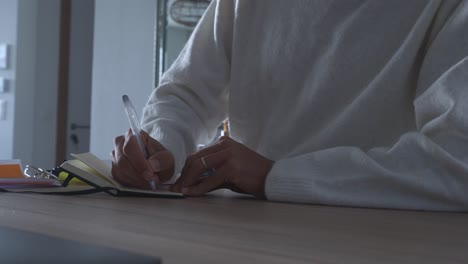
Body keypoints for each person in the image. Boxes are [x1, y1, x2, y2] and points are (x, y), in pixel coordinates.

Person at [112, 0, 468, 211]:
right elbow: (185, 94)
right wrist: (163, 147)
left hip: (379, 240)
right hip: (246, 233)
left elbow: (456, 163)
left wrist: (274, 177)